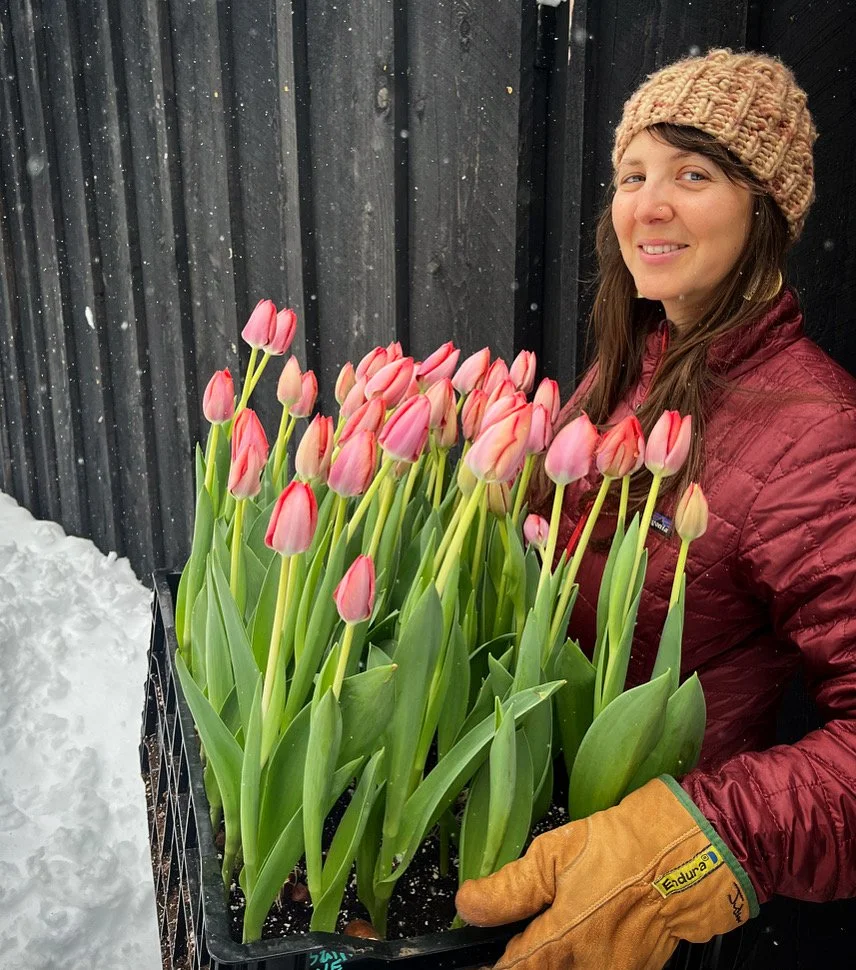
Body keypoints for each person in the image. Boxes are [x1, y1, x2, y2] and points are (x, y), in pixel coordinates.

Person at [455, 48, 856, 970]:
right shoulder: (631, 367)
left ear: (768, 206)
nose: (649, 204)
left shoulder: (815, 434)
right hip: (543, 829)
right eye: (633, 174)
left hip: (647, 903)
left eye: (693, 173)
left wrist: (697, 839)